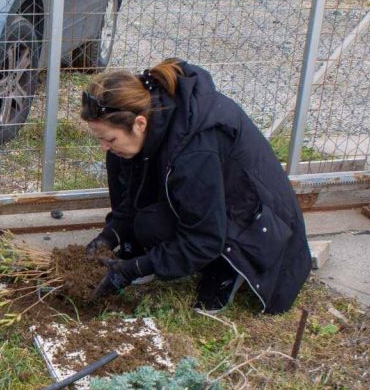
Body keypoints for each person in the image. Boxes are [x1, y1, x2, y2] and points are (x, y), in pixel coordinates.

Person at [81, 58, 310, 314]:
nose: (104, 146)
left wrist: (135, 269)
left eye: (110, 138)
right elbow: (133, 195)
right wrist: (110, 235)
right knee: (145, 219)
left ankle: (224, 268)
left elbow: (205, 238)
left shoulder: (193, 151)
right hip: (213, 204)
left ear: (140, 124)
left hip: (255, 226)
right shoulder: (155, 119)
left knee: (158, 227)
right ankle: (153, 254)